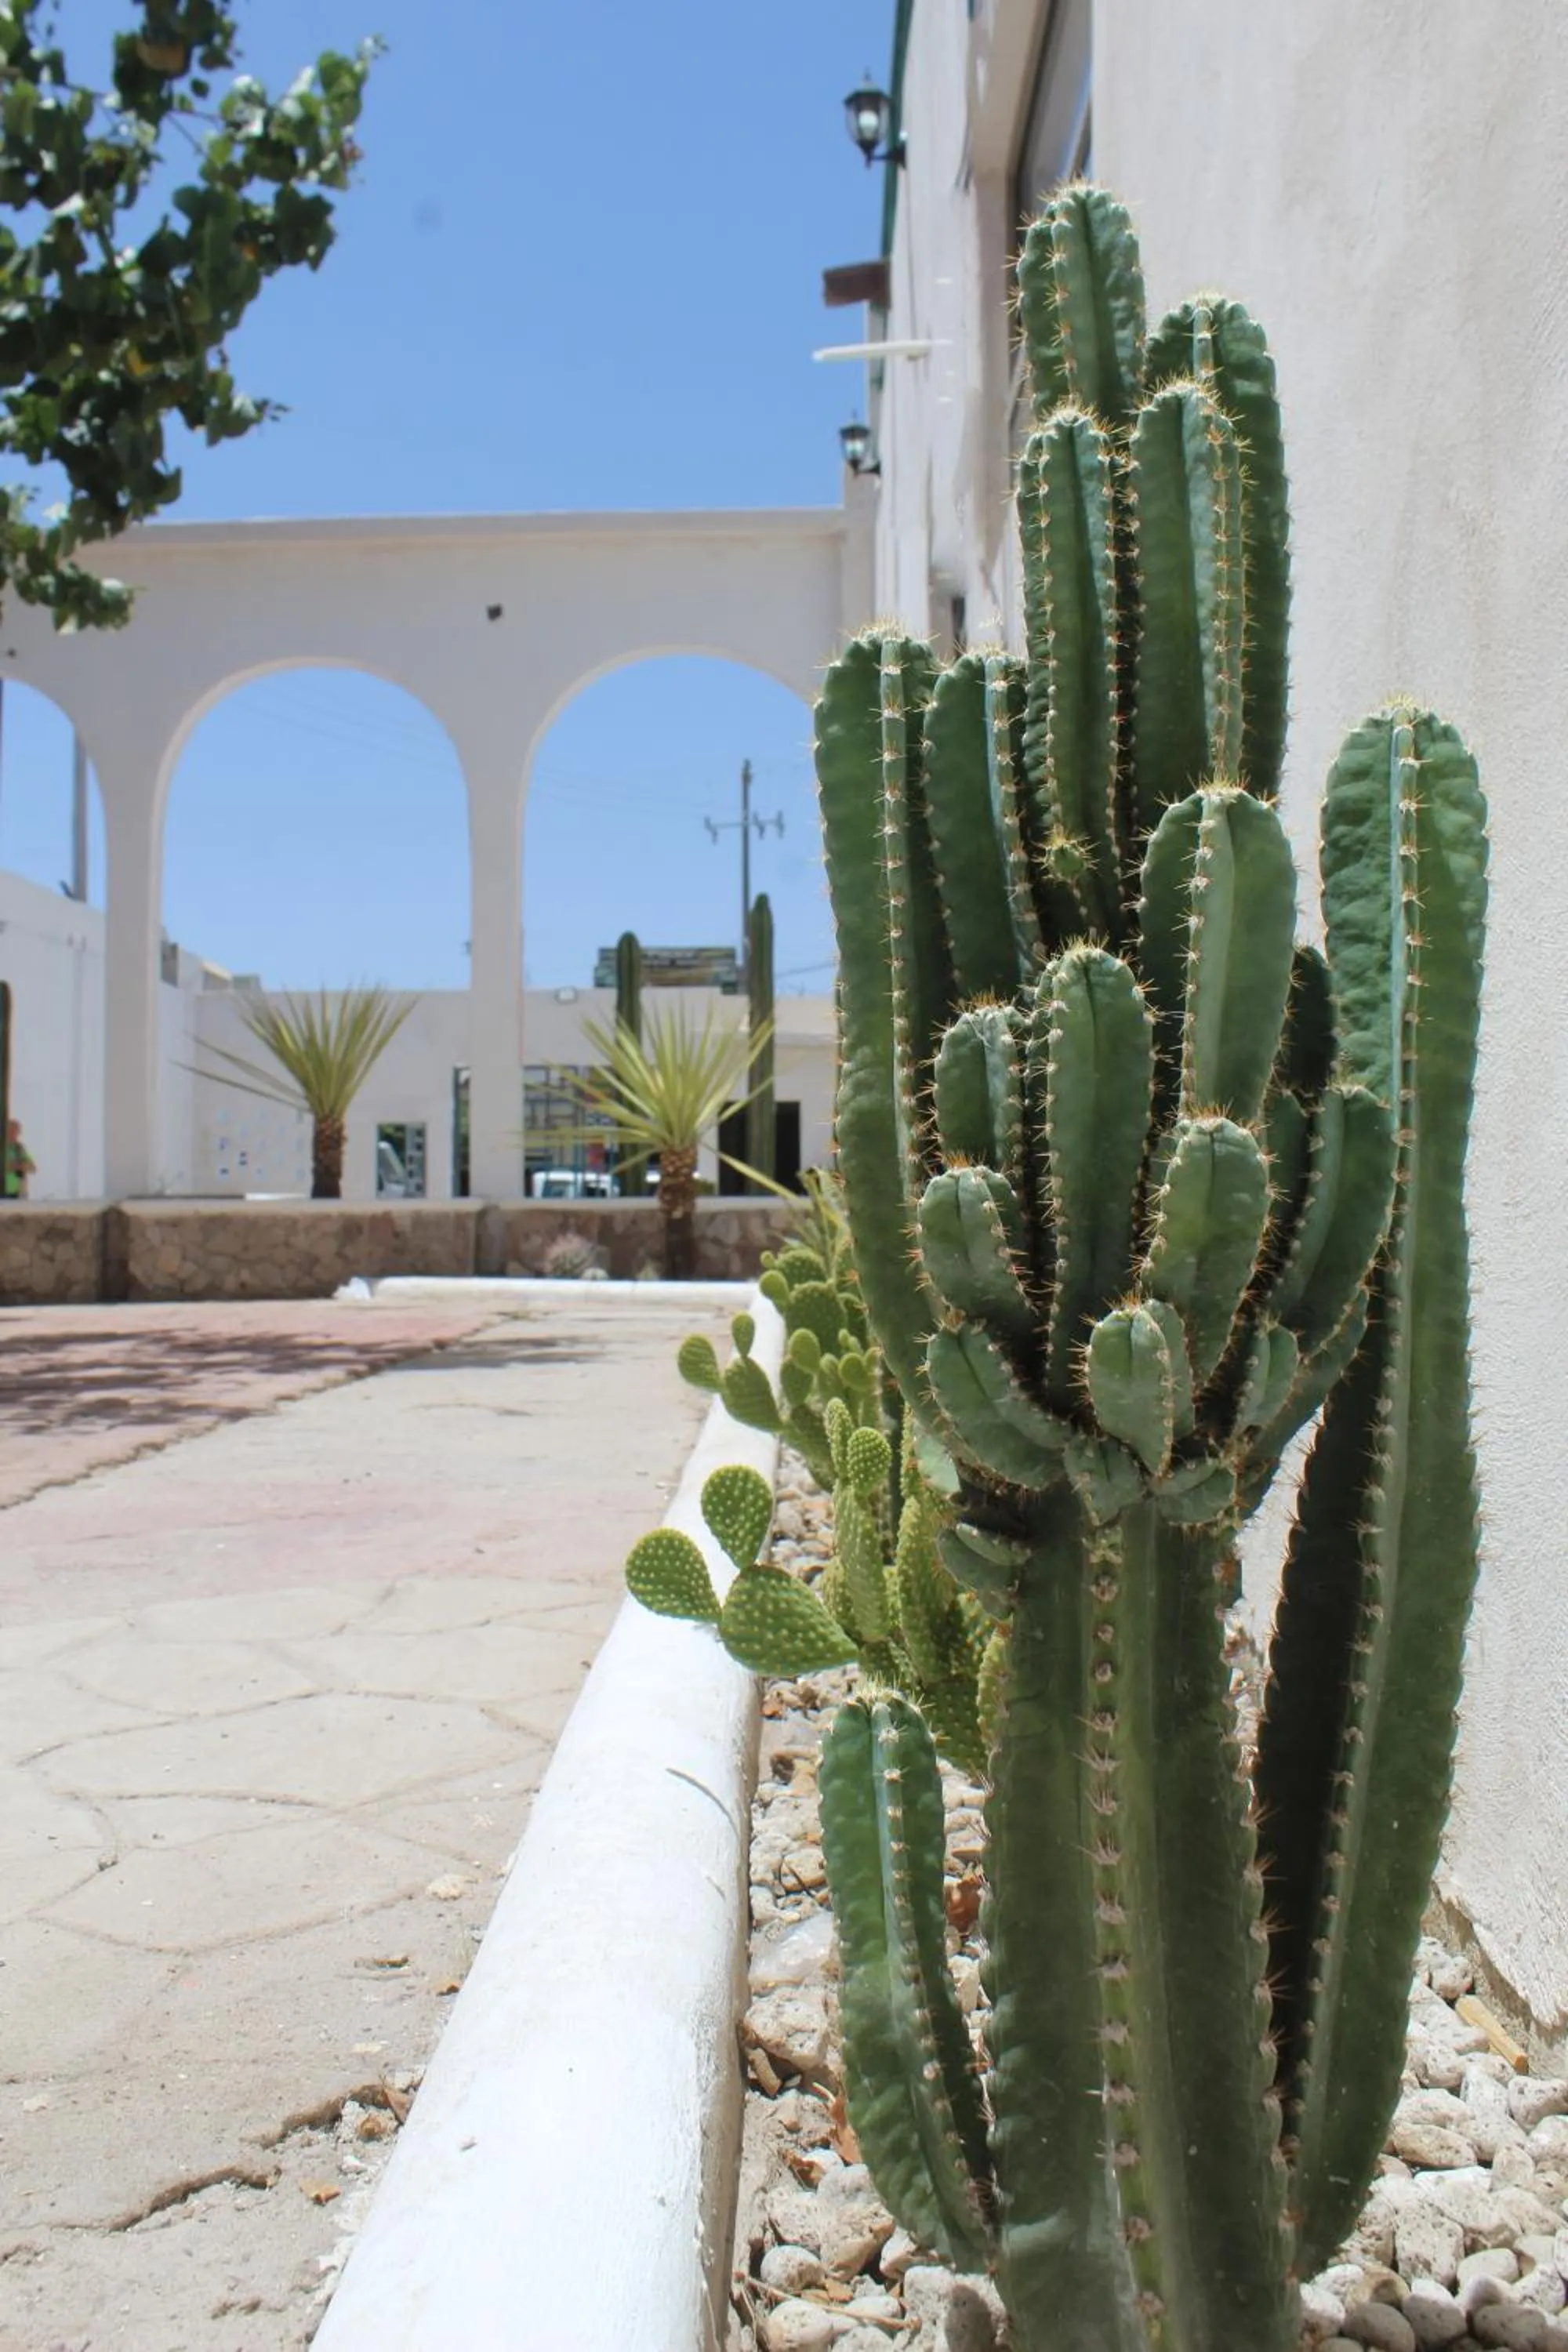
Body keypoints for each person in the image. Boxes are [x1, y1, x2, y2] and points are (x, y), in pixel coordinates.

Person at [3, 1117, 34, 1199]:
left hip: (17, 1193)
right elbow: (5, 1167)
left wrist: (17, 1166)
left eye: (16, 1131)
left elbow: (32, 1167)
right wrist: (19, 1165)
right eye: (11, 1130)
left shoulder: (19, 1148)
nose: (13, 1133)